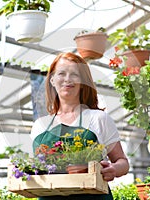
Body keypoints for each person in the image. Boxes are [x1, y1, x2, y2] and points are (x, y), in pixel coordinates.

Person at [30, 52, 129, 200]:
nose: (67, 79)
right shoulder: (40, 126)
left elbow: (122, 162)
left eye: (74, 74)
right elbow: (38, 171)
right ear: (52, 79)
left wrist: (114, 169)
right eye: (61, 73)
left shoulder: (98, 118)